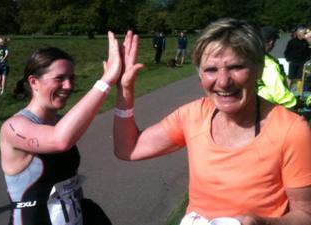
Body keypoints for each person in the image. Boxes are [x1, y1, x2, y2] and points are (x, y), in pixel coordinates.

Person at [114, 19, 311, 225]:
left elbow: (305, 214)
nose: (224, 81)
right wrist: (125, 90)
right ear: (200, 75)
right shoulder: (192, 115)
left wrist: (264, 223)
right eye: (211, 70)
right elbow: (128, 149)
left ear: (259, 69)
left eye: (236, 67)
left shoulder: (291, 130)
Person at [0, 31, 122, 225]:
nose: (68, 85)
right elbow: (60, 140)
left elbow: (69, 181)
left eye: (71, 78)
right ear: (33, 82)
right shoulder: (14, 127)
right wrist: (106, 81)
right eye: (59, 78)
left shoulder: (61, 122)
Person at [257, 26, 297, 108]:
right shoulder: (268, 63)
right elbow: (279, 92)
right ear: (271, 42)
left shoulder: (251, 56)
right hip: (267, 107)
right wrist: (294, 104)